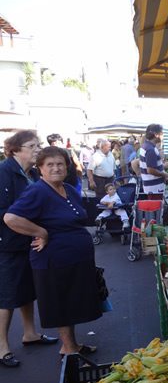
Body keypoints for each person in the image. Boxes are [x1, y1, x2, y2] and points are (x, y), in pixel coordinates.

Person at [4, 146, 102, 357]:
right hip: (54, 260)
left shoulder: (68, 188)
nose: (56, 168)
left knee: (71, 303)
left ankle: (72, 345)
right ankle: (68, 349)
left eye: (60, 164)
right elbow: (11, 218)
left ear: (67, 167)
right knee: (62, 304)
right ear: (40, 168)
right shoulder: (37, 191)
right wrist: (40, 232)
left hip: (75, 258)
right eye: (50, 164)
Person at [0, 131, 58, 367]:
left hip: (28, 240)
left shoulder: (32, 173)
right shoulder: (4, 172)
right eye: (32, 146)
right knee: (6, 295)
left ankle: (30, 333)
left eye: (38, 145)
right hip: (8, 243)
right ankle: (2, 347)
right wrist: (35, 228)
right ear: (15, 149)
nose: (37, 149)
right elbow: (5, 212)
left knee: (27, 288)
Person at [139, 124, 168, 197]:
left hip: (152, 187)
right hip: (154, 189)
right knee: (156, 204)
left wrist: (162, 166)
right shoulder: (150, 149)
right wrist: (165, 174)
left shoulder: (146, 146)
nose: (163, 136)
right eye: (162, 133)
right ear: (156, 135)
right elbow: (150, 170)